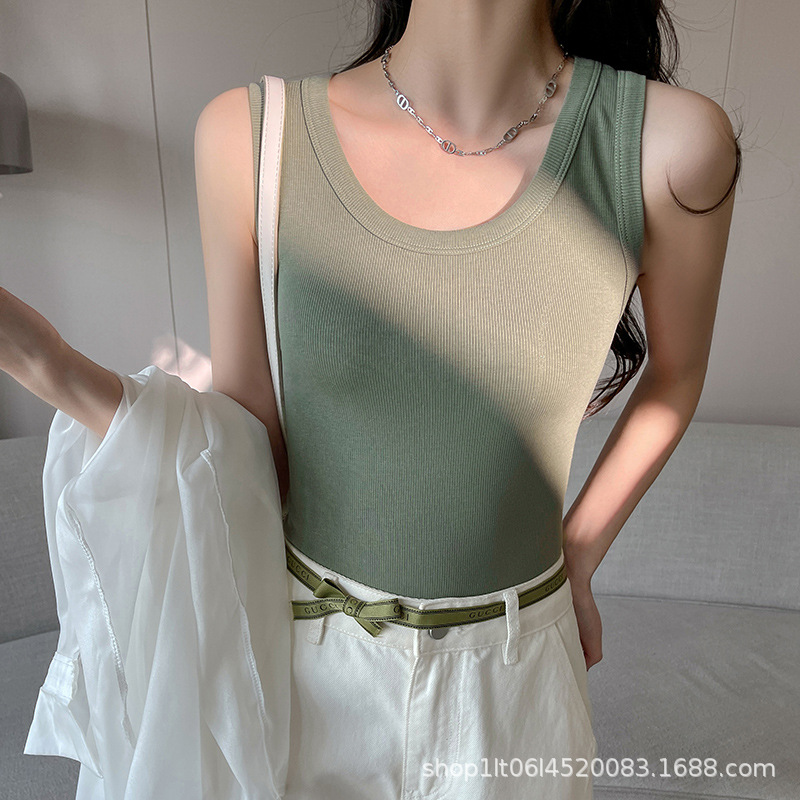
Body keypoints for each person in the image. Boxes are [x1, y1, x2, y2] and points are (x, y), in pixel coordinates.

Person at [1, 0, 740, 797]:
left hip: (518, 676)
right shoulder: (254, 138)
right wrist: (57, 369)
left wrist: (581, 555)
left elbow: (676, 375)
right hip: (311, 675)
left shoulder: (670, 144)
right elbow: (246, 452)